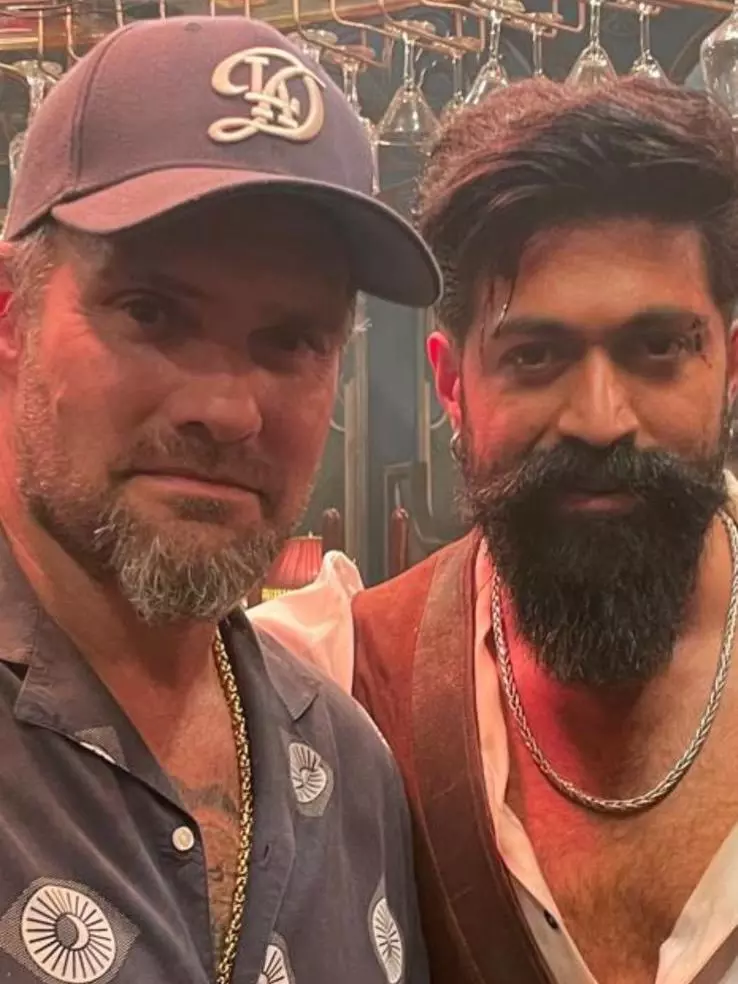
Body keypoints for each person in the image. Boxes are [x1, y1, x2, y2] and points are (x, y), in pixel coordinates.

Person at [251, 78, 738, 984]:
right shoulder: (324, 687)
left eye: (658, 348)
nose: (600, 419)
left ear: (730, 365)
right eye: (535, 355)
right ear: (452, 385)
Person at [0, 15, 441, 984]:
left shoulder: (354, 769)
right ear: (11, 318)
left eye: (290, 341)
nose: (228, 410)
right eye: (152, 312)